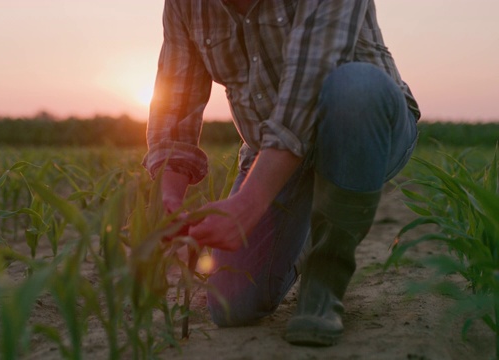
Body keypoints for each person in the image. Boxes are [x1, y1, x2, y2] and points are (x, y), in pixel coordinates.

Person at [143, 0, 420, 347]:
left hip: (364, 129)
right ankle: (304, 238)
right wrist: (169, 196)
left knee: (357, 86)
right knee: (233, 305)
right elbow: (176, 101)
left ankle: (326, 274)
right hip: (270, 151)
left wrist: (248, 204)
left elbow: (312, 80)